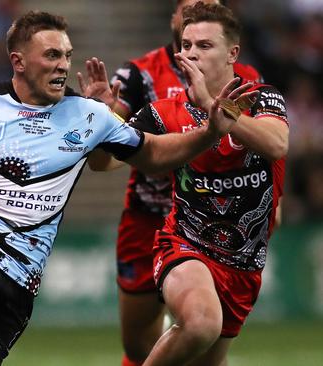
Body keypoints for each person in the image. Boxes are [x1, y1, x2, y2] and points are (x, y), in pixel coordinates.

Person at [0, 10, 252, 366]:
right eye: (51, 55)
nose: (62, 65)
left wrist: (209, 131)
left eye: (67, 56)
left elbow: (154, 154)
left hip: (21, 274)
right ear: (18, 61)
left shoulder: (90, 116)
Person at [78, 1, 263, 365]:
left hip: (214, 223)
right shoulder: (139, 75)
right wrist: (97, 118)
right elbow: (106, 159)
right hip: (149, 217)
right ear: (174, 20)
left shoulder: (245, 79)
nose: (196, 13)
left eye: (208, 7)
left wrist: (276, 203)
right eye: (189, 8)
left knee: (203, 336)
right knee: (137, 345)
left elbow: (268, 146)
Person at [123, 2, 287, 365]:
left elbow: (277, 144)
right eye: (186, 45)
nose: (191, 53)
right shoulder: (163, 111)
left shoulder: (261, 97)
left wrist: (219, 111)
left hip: (244, 264)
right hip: (186, 244)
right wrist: (101, 115)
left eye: (204, 45)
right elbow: (113, 160)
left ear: (233, 53)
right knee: (200, 323)